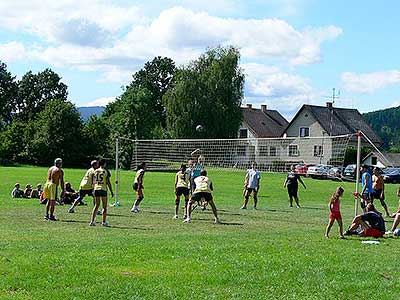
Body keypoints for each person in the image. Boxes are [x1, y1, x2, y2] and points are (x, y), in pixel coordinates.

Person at [90, 159, 113, 227]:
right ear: (104, 164)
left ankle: (92, 221)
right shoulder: (105, 171)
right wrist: (111, 191)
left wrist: (93, 189)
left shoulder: (95, 171)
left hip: (96, 189)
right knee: (104, 207)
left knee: (96, 206)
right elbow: (108, 182)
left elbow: (93, 182)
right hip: (103, 189)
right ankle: (103, 222)